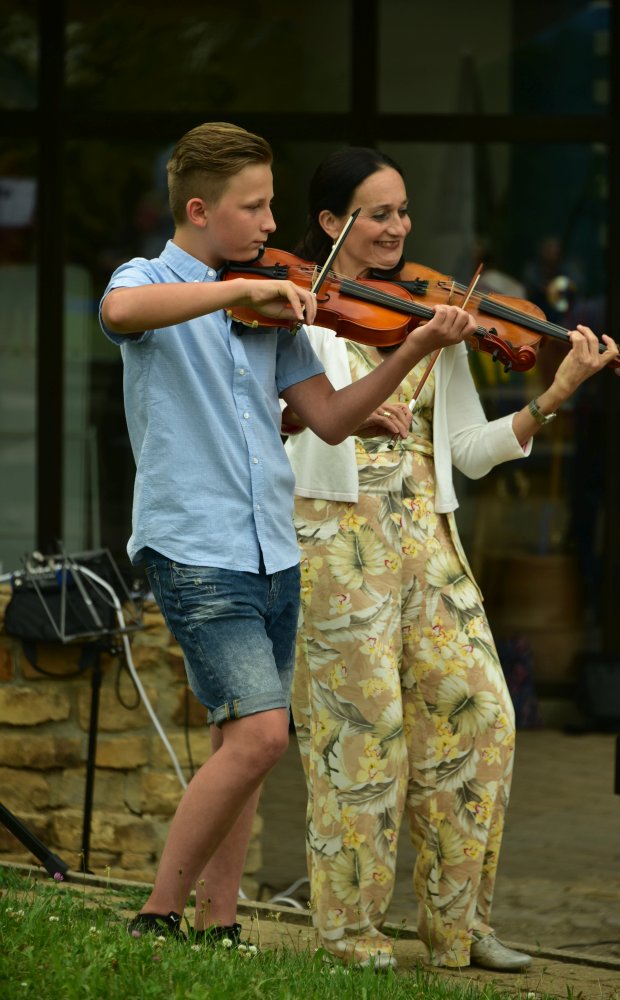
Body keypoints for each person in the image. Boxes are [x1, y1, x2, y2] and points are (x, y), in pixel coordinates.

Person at [98, 122, 477, 945]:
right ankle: (156, 914)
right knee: (266, 735)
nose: (274, 224)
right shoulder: (155, 279)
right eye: (256, 206)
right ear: (200, 210)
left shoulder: (276, 307)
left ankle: (219, 922)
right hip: (195, 549)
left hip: (272, 547)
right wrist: (237, 294)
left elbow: (331, 421)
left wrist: (411, 346)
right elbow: (120, 310)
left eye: (272, 205)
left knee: (246, 746)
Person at [282, 147, 619, 971]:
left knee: (485, 721)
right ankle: (350, 933)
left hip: (426, 544)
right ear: (332, 223)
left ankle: (459, 926)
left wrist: (554, 394)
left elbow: (465, 450)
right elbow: (285, 430)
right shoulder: (290, 312)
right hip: (334, 543)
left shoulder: (433, 315)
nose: (397, 227)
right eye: (377, 213)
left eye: (401, 211)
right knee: (363, 741)